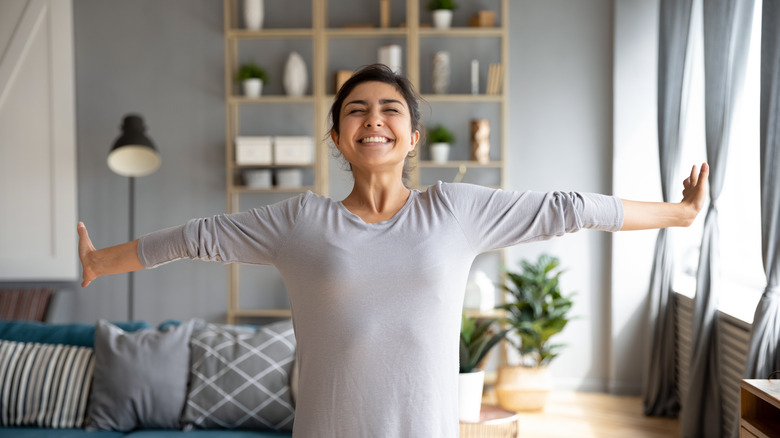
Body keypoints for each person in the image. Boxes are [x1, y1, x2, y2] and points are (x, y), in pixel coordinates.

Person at [78, 64, 708, 437]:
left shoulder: (456, 211)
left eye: (390, 110)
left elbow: (567, 209)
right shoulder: (300, 221)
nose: (373, 119)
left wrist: (677, 214)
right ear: (337, 137)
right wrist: (103, 261)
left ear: (411, 136)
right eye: (356, 111)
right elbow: (197, 237)